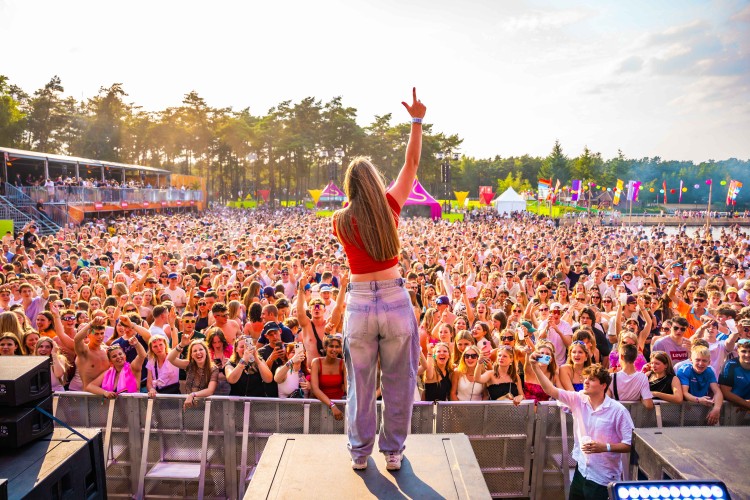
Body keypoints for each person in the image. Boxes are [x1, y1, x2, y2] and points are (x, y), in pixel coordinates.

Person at [333, 88, 425, 471]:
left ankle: (359, 453)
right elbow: (412, 164)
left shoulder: (339, 221)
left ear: (351, 186)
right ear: (374, 182)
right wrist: (416, 121)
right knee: (399, 383)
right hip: (393, 300)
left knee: (360, 385)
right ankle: (392, 452)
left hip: (358, 303)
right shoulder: (390, 207)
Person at [528, 356, 634, 500]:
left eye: (591, 379)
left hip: (603, 477)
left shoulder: (618, 411)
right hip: (582, 470)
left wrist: (605, 447)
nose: (586, 382)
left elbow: (629, 444)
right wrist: (535, 367)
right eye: (585, 378)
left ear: (603, 385)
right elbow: (550, 390)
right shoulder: (578, 399)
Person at [167, 336, 218, 410]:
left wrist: (192, 395)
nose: (198, 352)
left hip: (207, 408)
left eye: (201, 349)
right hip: (189, 406)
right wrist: (181, 345)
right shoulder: (189, 365)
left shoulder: (213, 369)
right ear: (192, 355)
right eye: (194, 351)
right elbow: (170, 358)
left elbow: (210, 390)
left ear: (206, 352)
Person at [676, 345, 724, 425]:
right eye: (697, 360)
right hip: (684, 409)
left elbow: (717, 391)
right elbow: (684, 393)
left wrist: (716, 409)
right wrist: (699, 399)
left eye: (704, 361)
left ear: (709, 362)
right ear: (691, 360)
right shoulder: (684, 370)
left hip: (701, 409)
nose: (700, 363)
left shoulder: (709, 371)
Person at [719, 338, 750, 412]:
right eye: (743, 351)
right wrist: (746, 405)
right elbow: (726, 392)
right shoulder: (730, 365)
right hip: (731, 410)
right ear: (737, 351)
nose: (747, 355)